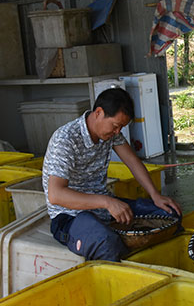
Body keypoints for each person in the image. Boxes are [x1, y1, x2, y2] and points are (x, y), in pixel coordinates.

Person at [42, 87, 182, 262]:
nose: (118, 132)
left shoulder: (110, 135)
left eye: (121, 127)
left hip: (103, 207)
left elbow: (133, 162)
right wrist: (107, 202)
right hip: (70, 216)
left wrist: (155, 195)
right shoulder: (65, 139)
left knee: (170, 215)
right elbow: (56, 195)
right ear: (98, 113)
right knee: (106, 243)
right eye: (116, 126)